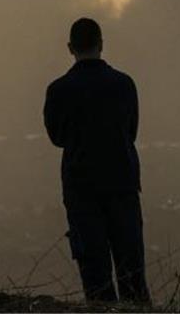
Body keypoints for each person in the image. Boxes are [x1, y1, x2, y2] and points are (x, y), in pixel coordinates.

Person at [43, 18, 150, 303]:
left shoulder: (58, 90)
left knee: (95, 272)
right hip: (122, 183)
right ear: (101, 44)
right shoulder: (124, 84)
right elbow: (131, 131)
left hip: (81, 187)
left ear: (70, 48)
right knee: (131, 269)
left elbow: (57, 137)